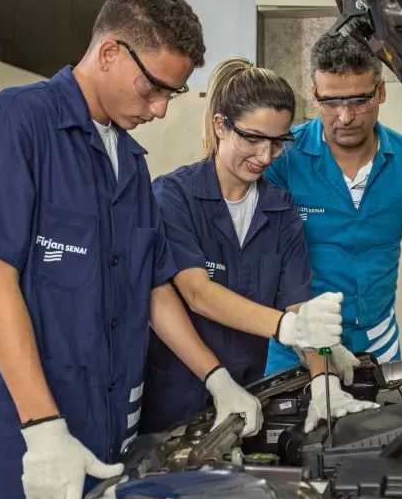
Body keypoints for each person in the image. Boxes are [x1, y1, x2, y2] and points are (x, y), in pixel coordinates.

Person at [0, 0, 236, 499]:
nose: (161, 109)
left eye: (173, 94)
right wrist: (43, 429)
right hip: (20, 434)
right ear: (110, 52)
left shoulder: (132, 164)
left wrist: (214, 376)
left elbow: (153, 286)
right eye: (154, 89)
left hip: (104, 433)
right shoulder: (18, 123)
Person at [141, 58, 377, 437]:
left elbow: (300, 305)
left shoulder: (281, 211)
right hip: (173, 400)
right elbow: (197, 293)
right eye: (252, 139)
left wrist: (323, 378)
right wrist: (286, 329)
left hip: (246, 396)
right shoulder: (173, 196)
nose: (265, 157)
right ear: (221, 125)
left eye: (278, 143)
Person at [263, 32, 402, 379]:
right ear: (314, 94)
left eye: (359, 100)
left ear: (381, 91)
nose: (344, 117)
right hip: (296, 345)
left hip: (377, 344)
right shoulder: (283, 156)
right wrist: (312, 339)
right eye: (330, 102)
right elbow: (265, 257)